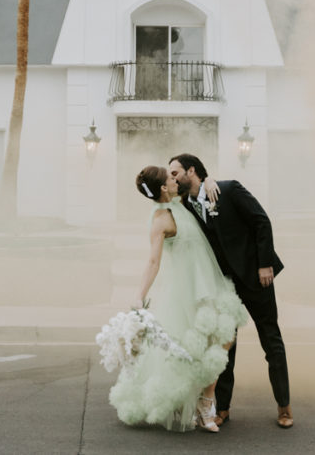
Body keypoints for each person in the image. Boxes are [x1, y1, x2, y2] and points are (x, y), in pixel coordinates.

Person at [106, 165, 247, 432]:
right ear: (162, 187)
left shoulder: (179, 202)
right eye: (171, 177)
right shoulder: (161, 218)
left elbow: (199, 187)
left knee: (224, 336)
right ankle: (202, 405)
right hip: (187, 288)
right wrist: (139, 295)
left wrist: (209, 180)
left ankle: (204, 401)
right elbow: (153, 260)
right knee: (196, 347)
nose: (176, 179)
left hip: (209, 282)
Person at [168, 153, 293, 429]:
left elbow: (262, 222)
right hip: (224, 285)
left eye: (176, 173)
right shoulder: (185, 206)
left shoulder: (228, 189)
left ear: (192, 170)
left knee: (271, 340)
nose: (173, 178)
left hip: (256, 277)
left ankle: (284, 406)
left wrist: (265, 265)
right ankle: (222, 408)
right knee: (225, 346)